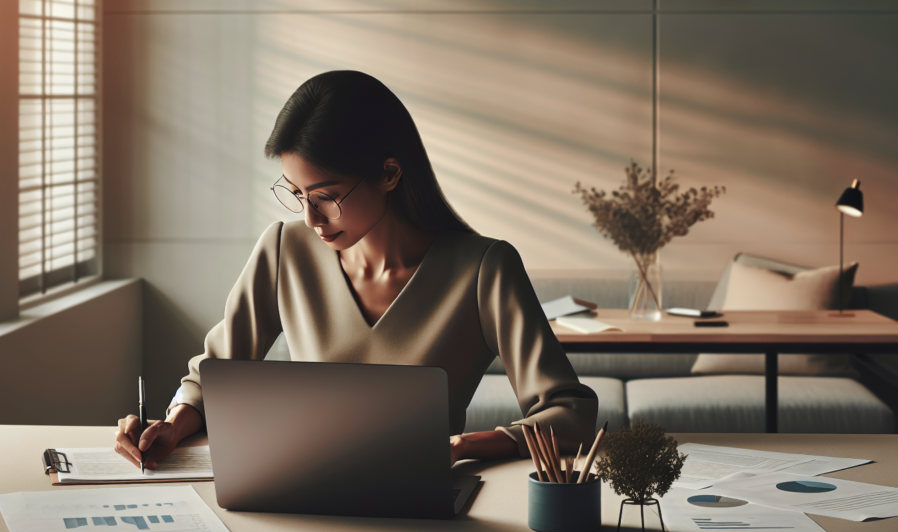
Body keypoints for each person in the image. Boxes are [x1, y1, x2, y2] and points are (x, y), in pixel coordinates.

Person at [114, 70, 597, 468]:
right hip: (298, 492)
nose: (310, 217)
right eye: (297, 194)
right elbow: (211, 374)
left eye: (326, 197)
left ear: (389, 173)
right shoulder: (285, 250)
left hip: (420, 509)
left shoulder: (484, 270)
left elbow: (570, 413)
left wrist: (465, 446)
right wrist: (173, 423)